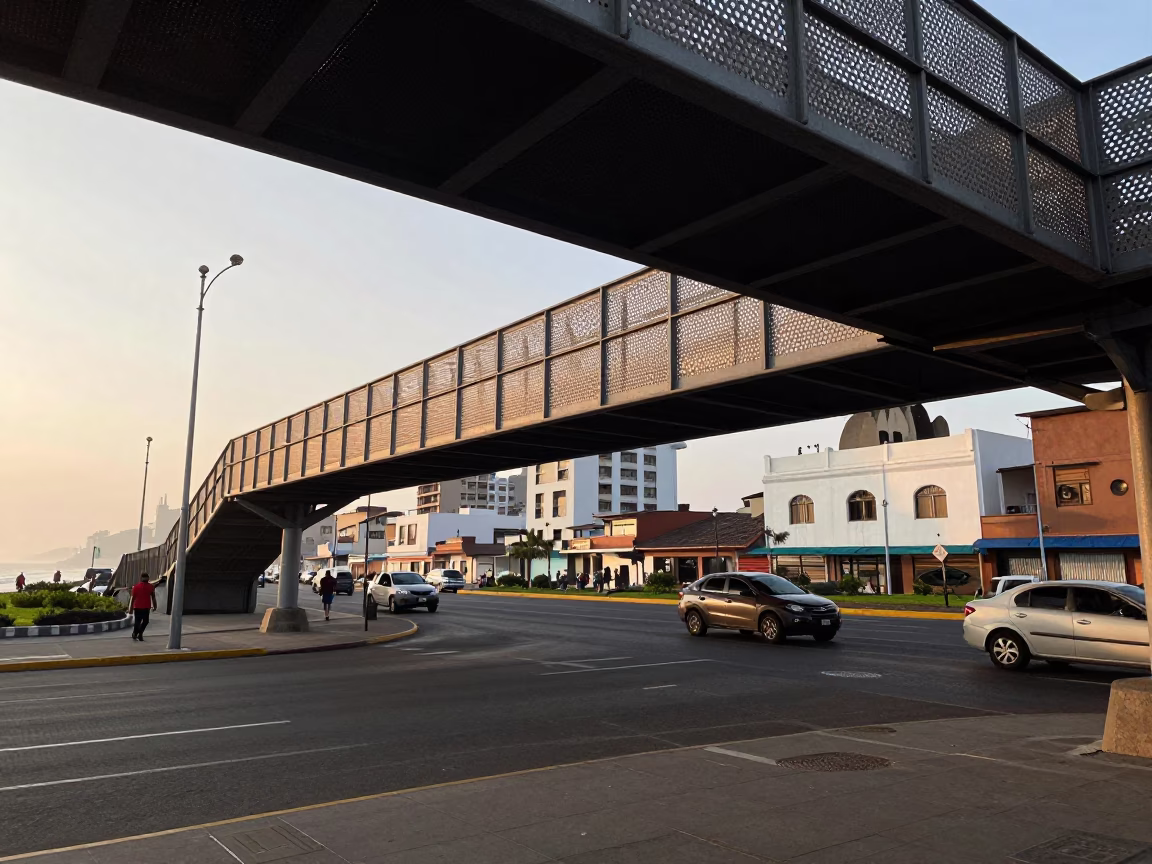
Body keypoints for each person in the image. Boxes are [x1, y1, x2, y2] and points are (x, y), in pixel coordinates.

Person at [130, 573, 157, 641]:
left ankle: (136, 634)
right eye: (145, 577)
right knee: (144, 621)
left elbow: (132, 598)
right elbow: (153, 597)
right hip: (144, 607)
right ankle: (139, 634)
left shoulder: (136, 587)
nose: (146, 579)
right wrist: (155, 606)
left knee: (139, 621)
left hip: (140, 607)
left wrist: (130, 608)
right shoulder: (150, 586)